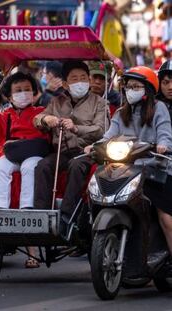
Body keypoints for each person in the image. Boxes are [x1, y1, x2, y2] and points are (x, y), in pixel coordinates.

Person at [86, 66, 172, 256]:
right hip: (127, 170)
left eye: (136, 86)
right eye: (128, 86)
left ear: (148, 89)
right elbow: (108, 136)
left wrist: (162, 145)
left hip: (156, 168)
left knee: (165, 216)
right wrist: (95, 146)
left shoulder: (159, 109)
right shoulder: (120, 113)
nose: (130, 90)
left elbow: (165, 133)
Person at [34, 61, 107, 234]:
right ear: (66, 83)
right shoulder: (56, 101)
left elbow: (101, 129)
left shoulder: (99, 103)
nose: (80, 82)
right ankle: (40, 215)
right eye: (74, 79)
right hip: (62, 151)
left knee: (76, 166)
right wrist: (45, 120)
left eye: (83, 78)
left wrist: (76, 128)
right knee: (42, 166)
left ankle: (66, 217)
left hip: (87, 152)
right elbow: (38, 119)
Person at [0, 72, 50, 268]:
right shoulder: (5, 115)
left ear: (34, 93)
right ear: (9, 96)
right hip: (12, 153)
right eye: (18, 90)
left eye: (26, 90)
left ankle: (26, 210)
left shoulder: (41, 112)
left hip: (34, 153)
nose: (23, 94)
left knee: (30, 167)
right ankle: (0, 211)